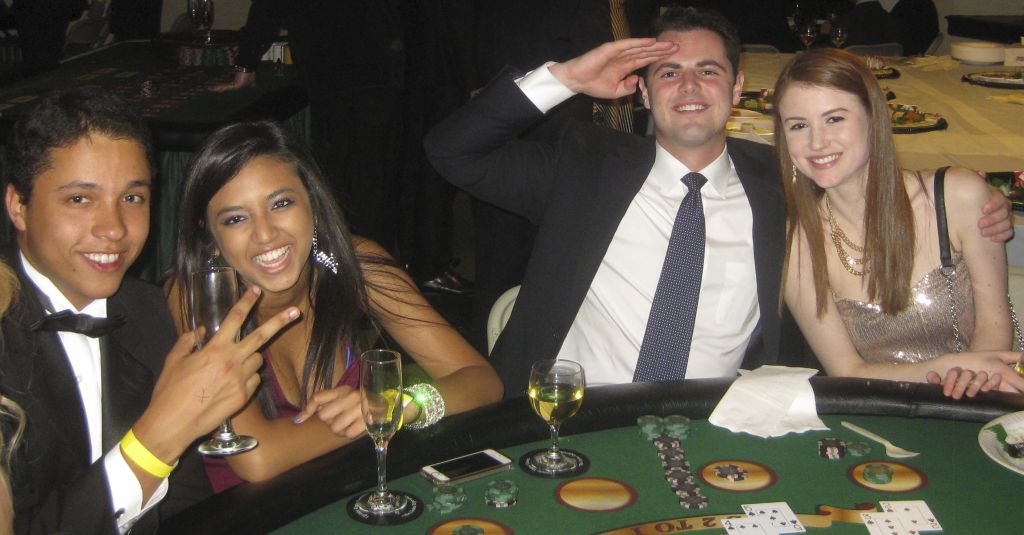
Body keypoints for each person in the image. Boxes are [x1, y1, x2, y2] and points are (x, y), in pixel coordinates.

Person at [425, 6, 1013, 396]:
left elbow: (858, 165)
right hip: (568, 416)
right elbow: (451, 151)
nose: (688, 86)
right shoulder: (583, 166)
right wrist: (566, 79)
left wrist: (976, 202)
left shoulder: (785, 187)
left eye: (708, 71)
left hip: (715, 428)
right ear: (643, 93)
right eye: (668, 73)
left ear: (736, 88)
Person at [0, 88, 298, 534]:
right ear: (18, 207)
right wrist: (157, 440)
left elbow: (187, 504)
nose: (114, 229)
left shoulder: (148, 310)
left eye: (132, 198)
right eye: (80, 199)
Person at [165, 121, 502, 492]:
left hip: (354, 496)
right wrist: (371, 418)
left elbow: (481, 381)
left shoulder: (355, 264)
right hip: (249, 512)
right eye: (236, 219)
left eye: (281, 203)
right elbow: (258, 459)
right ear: (209, 234)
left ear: (312, 203)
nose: (265, 234)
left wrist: (400, 404)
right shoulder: (195, 296)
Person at [775, 48, 1024, 399]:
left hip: (993, 395)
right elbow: (847, 370)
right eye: (799, 125)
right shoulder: (798, 243)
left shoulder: (956, 197)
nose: (817, 142)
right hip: (888, 408)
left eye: (835, 119)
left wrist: (968, 380)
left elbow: (995, 325)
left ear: (873, 117)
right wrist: (947, 371)